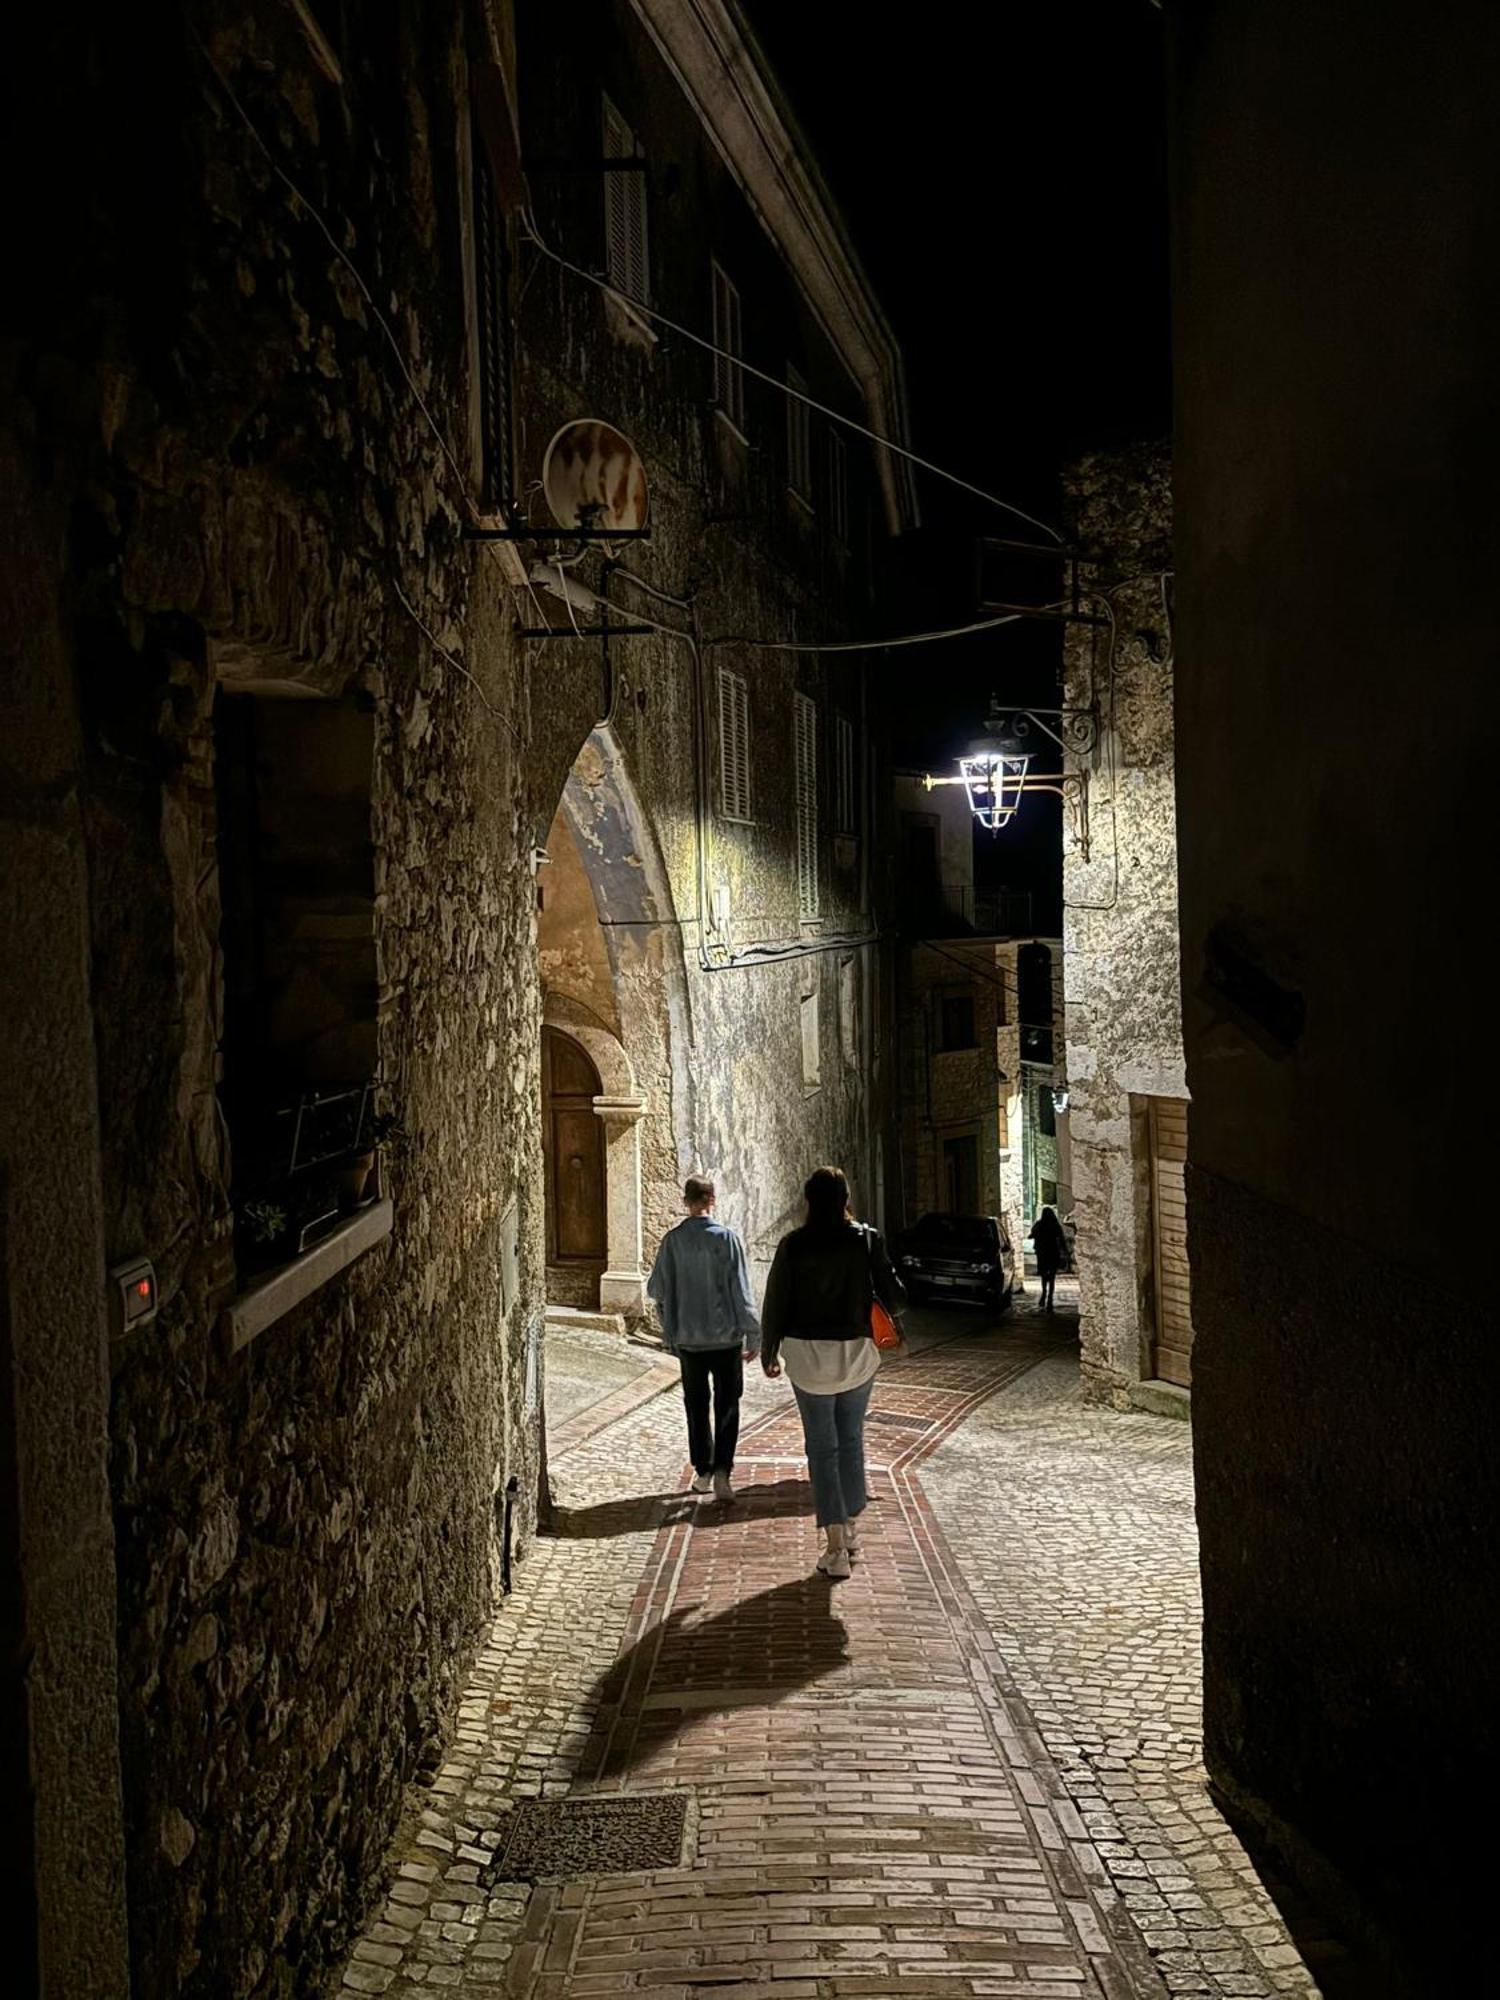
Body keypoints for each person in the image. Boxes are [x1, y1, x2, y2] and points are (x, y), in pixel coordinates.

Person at [760, 1166, 905, 1580]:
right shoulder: (866, 1240)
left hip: (806, 1359)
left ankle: (836, 1545)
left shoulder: (793, 1245)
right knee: (852, 1440)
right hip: (856, 1355)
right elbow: (895, 1296)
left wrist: (770, 1349)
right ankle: (853, 1525)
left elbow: (776, 1301)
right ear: (845, 1199)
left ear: (808, 1200)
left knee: (821, 1449)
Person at [647, 1174, 761, 1501]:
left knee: (696, 1406)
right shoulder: (728, 1240)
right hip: (725, 1341)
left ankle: (704, 1470)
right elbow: (742, 1292)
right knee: (727, 1405)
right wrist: (753, 1334)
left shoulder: (672, 1242)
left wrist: (670, 1328)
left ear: (686, 1201)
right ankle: (723, 1471)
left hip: (689, 1341)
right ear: (712, 1199)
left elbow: (657, 1290)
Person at [1028, 1203, 1069, 1312]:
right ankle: (1050, 1298)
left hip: (1042, 1253)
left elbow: (1031, 1234)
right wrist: (1065, 1252)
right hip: (1053, 1253)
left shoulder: (1039, 1224)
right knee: (1052, 1277)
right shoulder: (1055, 1226)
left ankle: (1043, 1295)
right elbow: (1061, 1239)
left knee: (1044, 1276)